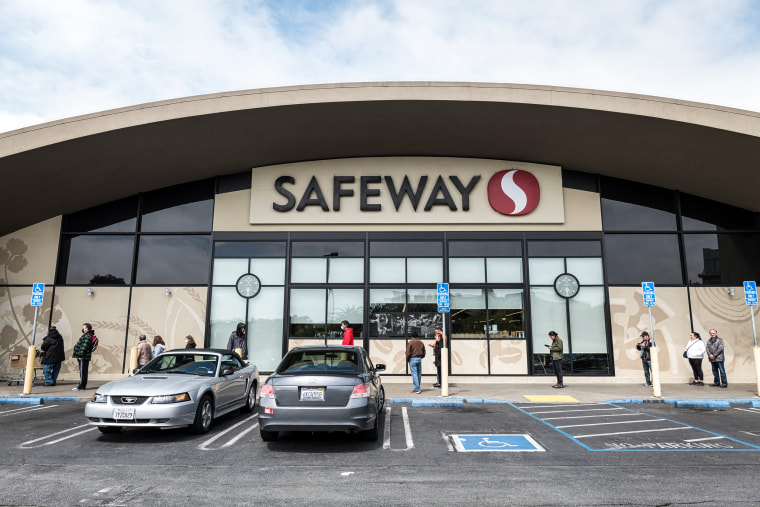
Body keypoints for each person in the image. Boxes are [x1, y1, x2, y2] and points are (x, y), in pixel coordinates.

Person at [72, 323, 95, 391]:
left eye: (83, 328)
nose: (83, 329)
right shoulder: (87, 335)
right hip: (83, 356)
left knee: (83, 372)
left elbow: (84, 346)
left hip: (83, 357)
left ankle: (81, 386)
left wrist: (80, 355)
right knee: (83, 371)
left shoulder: (87, 336)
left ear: (87, 328)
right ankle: (81, 385)